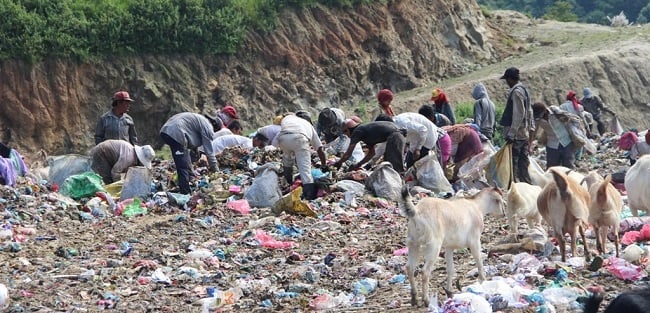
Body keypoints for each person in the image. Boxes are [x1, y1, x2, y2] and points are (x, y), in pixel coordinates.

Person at [160, 112, 219, 194]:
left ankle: (186, 186)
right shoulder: (208, 127)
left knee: (183, 162)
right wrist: (216, 171)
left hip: (165, 131)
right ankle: (185, 194)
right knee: (182, 166)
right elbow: (209, 153)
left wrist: (194, 154)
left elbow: (190, 140)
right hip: (176, 132)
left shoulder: (199, 120)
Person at [277, 113, 328, 200]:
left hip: (282, 138)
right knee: (305, 170)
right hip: (299, 138)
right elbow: (319, 149)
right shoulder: (307, 125)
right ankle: (309, 196)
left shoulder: (288, 119)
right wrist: (324, 165)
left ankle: (289, 182)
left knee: (287, 158)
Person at [499, 67, 534, 184]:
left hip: (517, 135)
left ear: (510, 79)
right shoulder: (524, 90)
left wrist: (511, 133)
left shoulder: (516, 92)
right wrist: (529, 129)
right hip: (524, 134)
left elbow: (519, 114)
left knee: (513, 163)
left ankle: (514, 187)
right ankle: (528, 186)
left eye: (506, 80)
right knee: (523, 164)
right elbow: (529, 112)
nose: (506, 83)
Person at [333, 120, 406, 173]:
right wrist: (358, 165)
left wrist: (339, 163)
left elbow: (348, 153)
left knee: (394, 165)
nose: (346, 135)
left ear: (347, 130)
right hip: (397, 135)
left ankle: (400, 185)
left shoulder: (357, 132)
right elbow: (371, 154)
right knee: (391, 163)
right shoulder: (365, 133)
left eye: (345, 132)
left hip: (395, 136)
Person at [531, 102, 577, 169]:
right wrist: (530, 144)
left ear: (545, 111)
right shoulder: (538, 119)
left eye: (542, 115)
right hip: (552, 145)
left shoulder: (554, 111)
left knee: (568, 166)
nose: (542, 117)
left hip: (566, 142)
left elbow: (568, 119)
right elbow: (534, 130)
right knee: (552, 168)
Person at [90, 140, 155, 184]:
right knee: (108, 180)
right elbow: (115, 172)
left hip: (107, 153)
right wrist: (118, 186)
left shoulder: (132, 154)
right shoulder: (129, 158)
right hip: (102, 152)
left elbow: (128, 173)